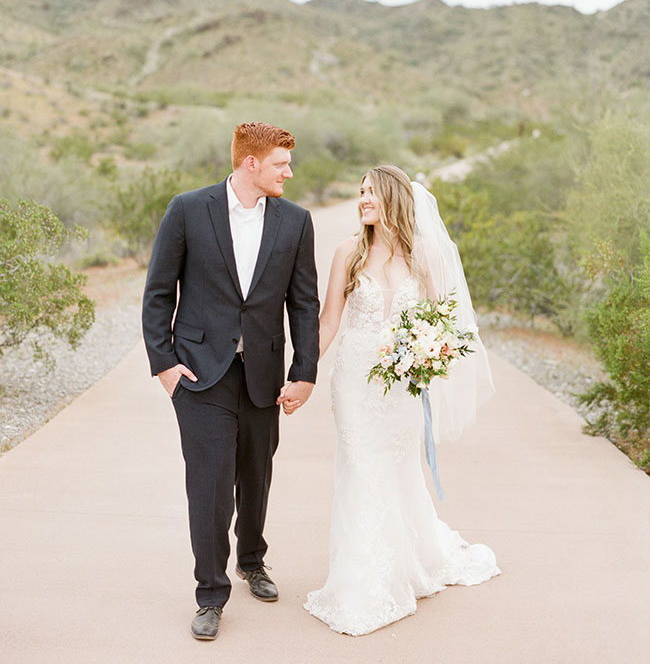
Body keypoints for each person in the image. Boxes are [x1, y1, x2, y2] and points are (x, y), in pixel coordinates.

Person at [300, 165, 500, 636]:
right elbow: (328, 321)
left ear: (392, 197)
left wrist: (428, 355)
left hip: (402, 387)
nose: (363, 199)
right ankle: (361, 585)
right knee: (361, 471)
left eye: (371, 191)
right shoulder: (348, 251)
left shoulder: (424, 254)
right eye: (360, 192)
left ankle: (407, 563)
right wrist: (301, 373)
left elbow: (445, 323)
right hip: (355, 382)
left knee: (398, 471)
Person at [142, 122, 319, 641]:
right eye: (282, 163)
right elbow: (159, 291)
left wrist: (304, 373)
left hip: (263, 372)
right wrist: (164, 364)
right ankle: (210, 593)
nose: (289, 172)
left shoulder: (296, 221)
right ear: (251, 163)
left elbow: (303, 304)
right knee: (210, 485)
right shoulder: (187, 210)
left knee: (255, 475)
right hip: (200, 373)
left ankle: (252, 559)